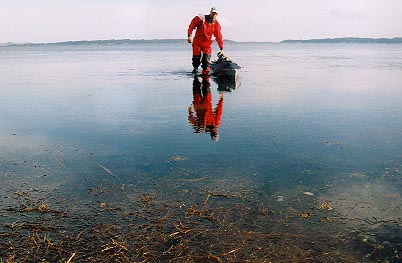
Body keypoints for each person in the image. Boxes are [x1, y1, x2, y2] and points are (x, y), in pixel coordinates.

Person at [187, 7, 224, 76]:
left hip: (207, 44)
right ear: (210, 13)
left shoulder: (216, 24)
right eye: (213, 13)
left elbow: (219, 36)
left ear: (217, 15)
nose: (214, 15)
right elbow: (191, 26)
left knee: (206, 60)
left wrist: (221, 48)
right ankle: (195, 69)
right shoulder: (201, 18)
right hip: (197, 42)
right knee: (196, 59)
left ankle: (205, 76)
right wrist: (189, 35)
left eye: (215, 14)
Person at [188, 76, 224, 141]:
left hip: (198, 104)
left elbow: (192, 121)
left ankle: (196, 75)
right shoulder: (216, 123)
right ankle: (205, 72)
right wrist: (221, 99)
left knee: (196, 86)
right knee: (206, 86)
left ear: (211, 134)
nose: (214, 132)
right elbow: (219, 111)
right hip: (207, 102)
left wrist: (190, 112)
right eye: (215, 133)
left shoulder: (200, 129)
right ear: (217, 132)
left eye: (213, 134)